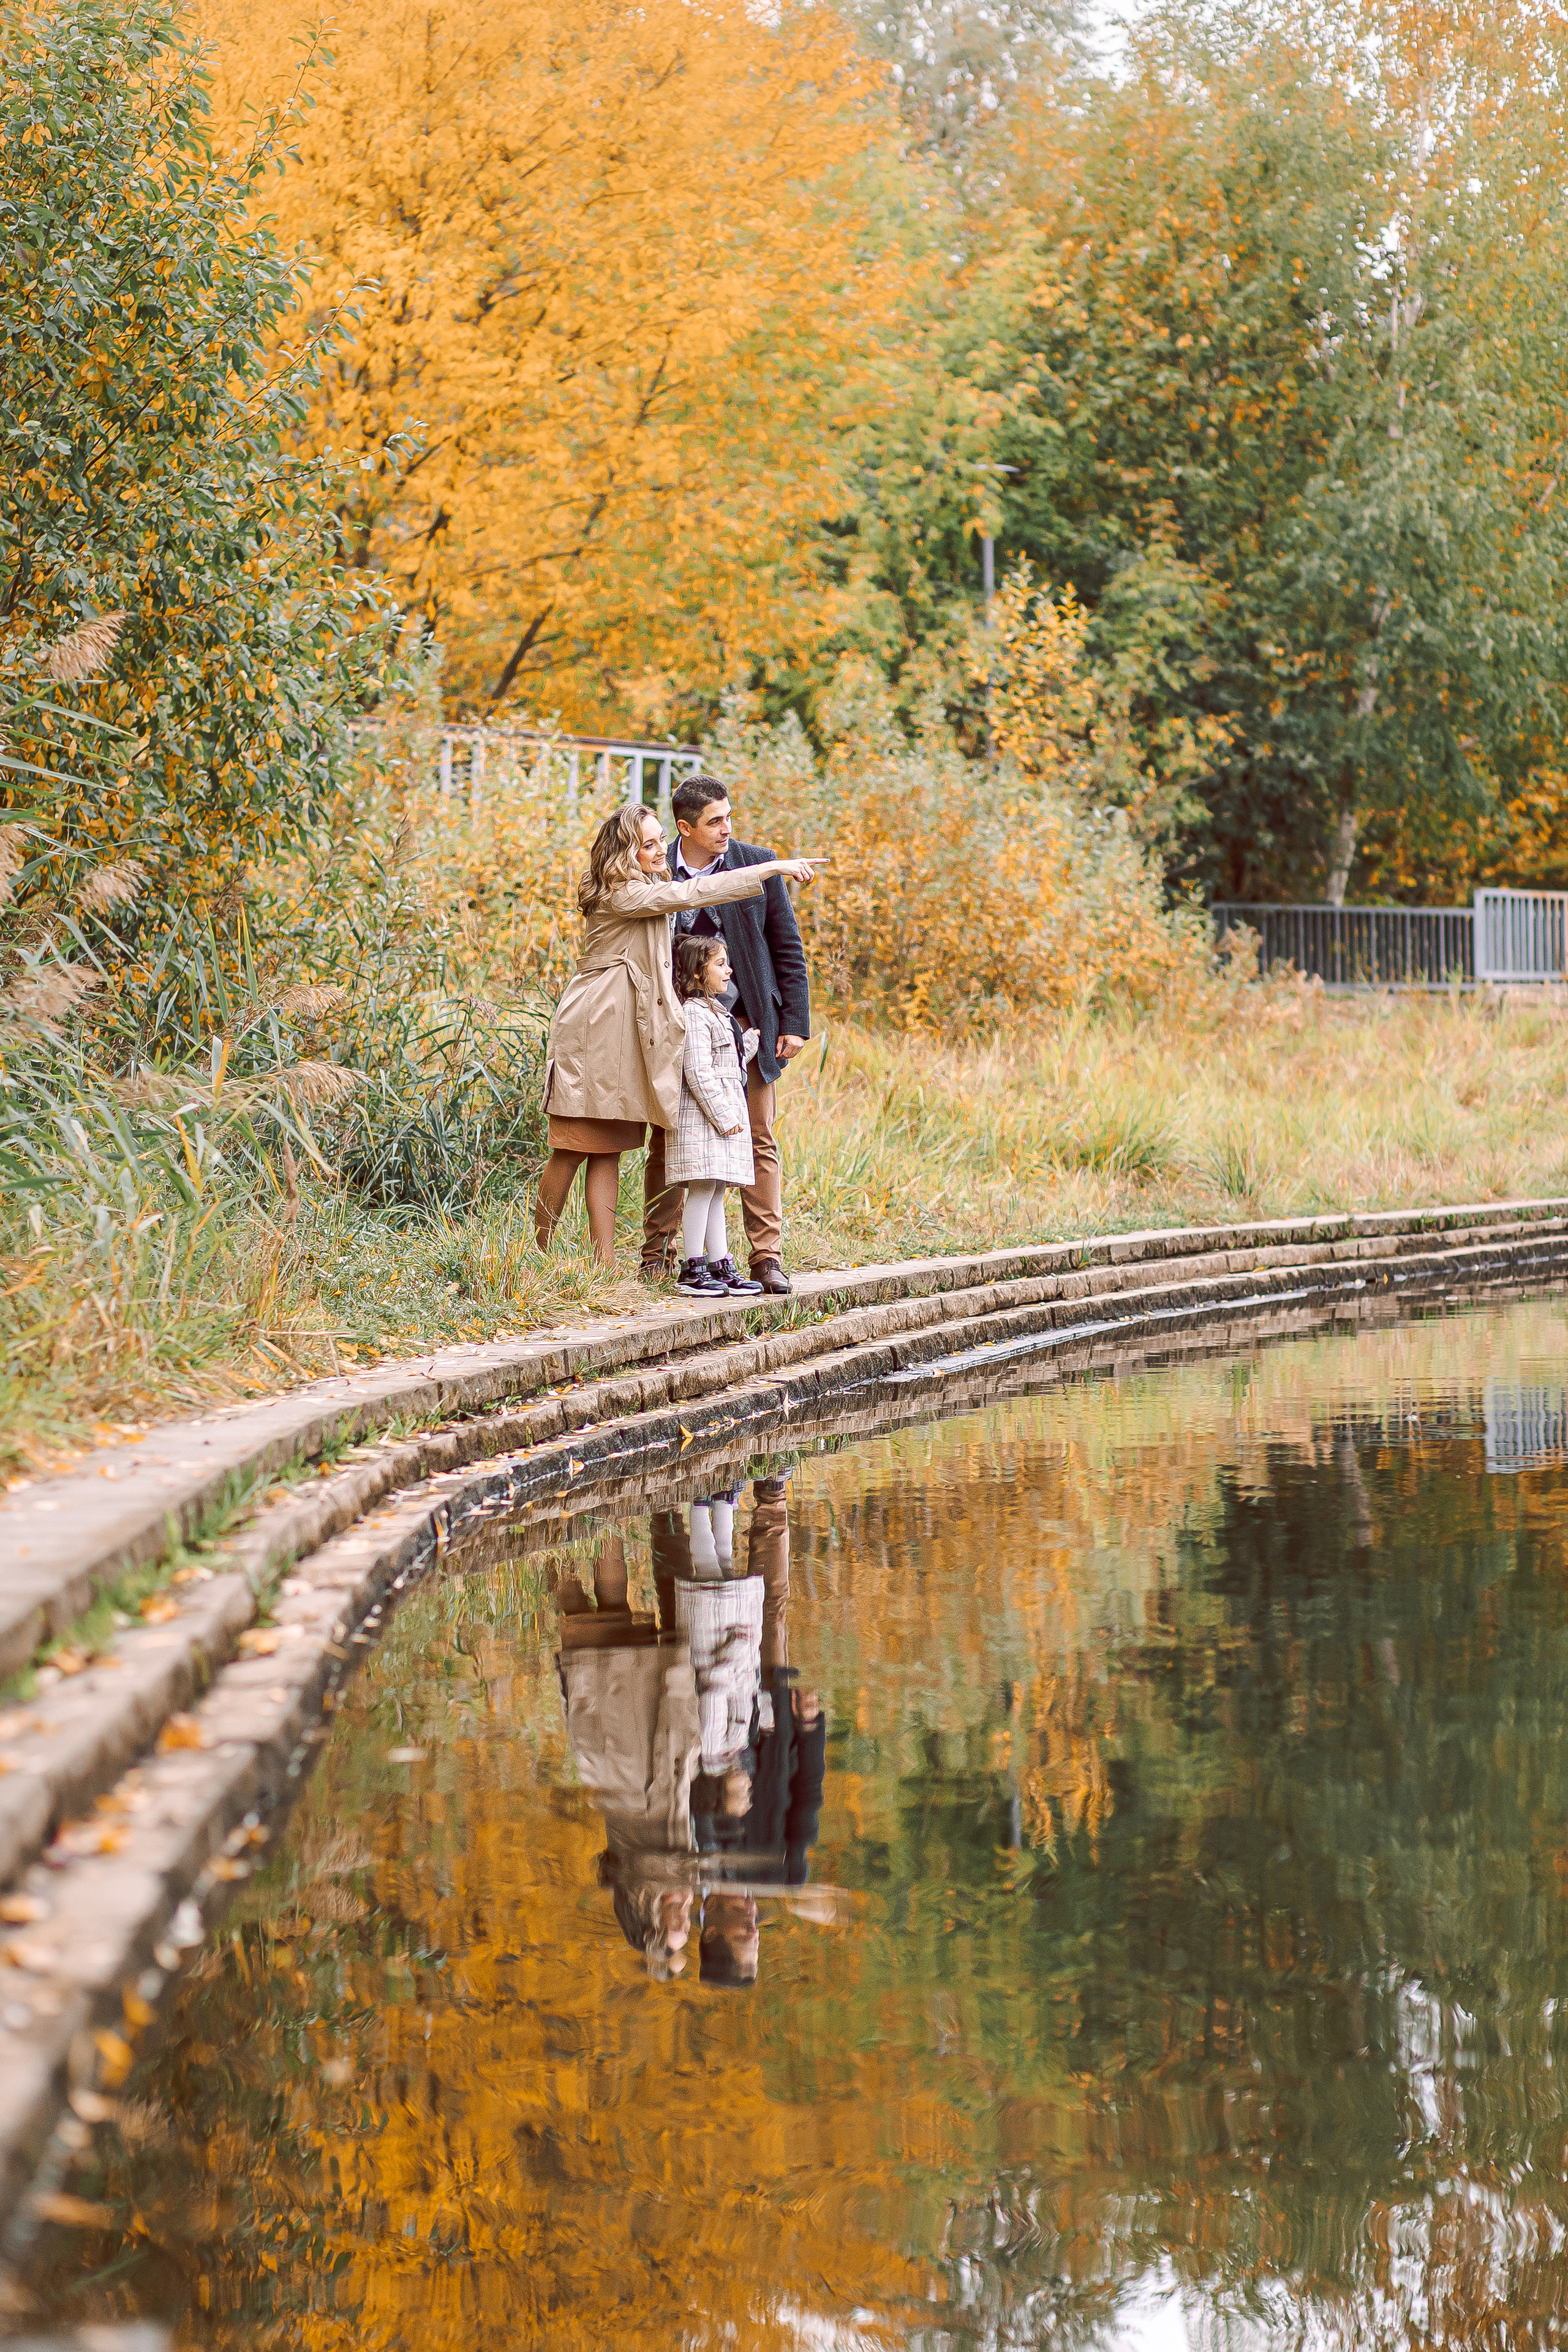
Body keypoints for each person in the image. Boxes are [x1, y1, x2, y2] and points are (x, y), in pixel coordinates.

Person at [535, 800, 818, 1264]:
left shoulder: (648, 886)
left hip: (630, 1034)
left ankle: (603, 1266)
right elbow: (692, 895)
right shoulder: (621, 893)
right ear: (625, 852)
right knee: (572, 1147)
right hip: (594, 1030)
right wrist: (771, 869)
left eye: (660, 839)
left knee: (610, 1149)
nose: (659, 849)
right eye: (647, 844)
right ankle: (539, 1253)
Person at [643, 774, 814, 1295]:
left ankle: (766, 1258)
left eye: (729, 817)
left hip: (748, 1025)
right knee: (667, 1140)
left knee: (758, 1137)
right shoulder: (654, 869)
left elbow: (787, 948)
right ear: (685, 827)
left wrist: (794, 1024)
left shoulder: (754, 861)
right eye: (716, 820)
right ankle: (658, 1255)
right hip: (673, 1028)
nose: (727, 828)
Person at [666, 932, 764, 1297]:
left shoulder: (717, 1012)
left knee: (717, 1189)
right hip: (703, 1121)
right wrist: (724, 1117)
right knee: (702, 1190)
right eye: (720, 965)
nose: (729, 971)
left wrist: (751, 1042)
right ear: (696, 974)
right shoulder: (693, 1014)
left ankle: (719, 1263)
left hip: (720, 1119)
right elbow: (698, 1072)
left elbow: (728, 1062)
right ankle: (693, 1267)